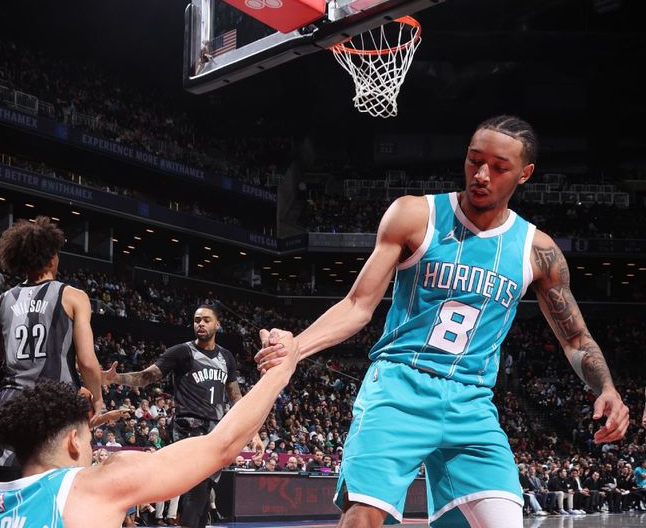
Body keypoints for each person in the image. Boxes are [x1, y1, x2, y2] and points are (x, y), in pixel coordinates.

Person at [255, 116, 629, 528]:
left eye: (500, 167)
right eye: (474, 161)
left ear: (525, 174)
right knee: (363, 516)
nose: (482, 175)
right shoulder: (415, 214)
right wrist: (296, 348)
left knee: (505, 522)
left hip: (472, 402)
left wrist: (606, 387)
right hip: (400, 386)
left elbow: (575, 338)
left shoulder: (537, 250)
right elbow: (359, 304)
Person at [0, 329, 298, 528]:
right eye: (91, 440)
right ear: (74, 442)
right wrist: (281, 370)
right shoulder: (91, 486)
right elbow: (220, 446)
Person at [103, 303, 263, 528]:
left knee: (204, 492)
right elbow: (148, 376)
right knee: (197, 490)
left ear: (217, 324)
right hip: (188, 428)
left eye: (206, 319)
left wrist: (253, 434)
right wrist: (116, 378)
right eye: (197, 320)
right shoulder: (182, 351)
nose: (201, 323)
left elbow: (237, 400)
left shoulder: (226, 358)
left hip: (216, 431)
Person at [0, 216, 105, 480]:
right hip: (56, 405)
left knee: (14, 489)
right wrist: (98, 399)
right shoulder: (73, 296)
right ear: (51, 258)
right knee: (58, 490)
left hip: (14, 405)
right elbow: (87, 361)